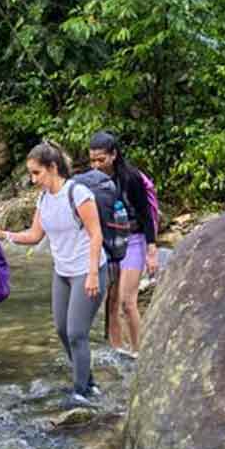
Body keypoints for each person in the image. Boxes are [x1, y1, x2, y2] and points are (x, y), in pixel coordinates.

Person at [0, 142, 108, 407]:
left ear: (53, 168)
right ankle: (89, 382)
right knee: (62, 330)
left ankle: (80, 394)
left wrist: (91, 274)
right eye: (31, 174)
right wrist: (2, 235)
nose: (33, 180)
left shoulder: (78, 193)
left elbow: (96, 234)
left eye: (36, 173)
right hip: (63, 271)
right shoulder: (43, 199)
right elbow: (34, 236)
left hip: (88, 270)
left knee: (77, 332)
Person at [87, 130, 159, 357]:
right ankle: (118, 351)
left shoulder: (131, 178)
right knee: (112, 303)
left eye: (101, 159)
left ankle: (139, 353)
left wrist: (152, 249)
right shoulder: (93, 181)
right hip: (109, 243)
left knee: (128, 302)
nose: (97, 165)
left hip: (134, 241)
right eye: (92, 160)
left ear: (114, 155)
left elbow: (146, 215)